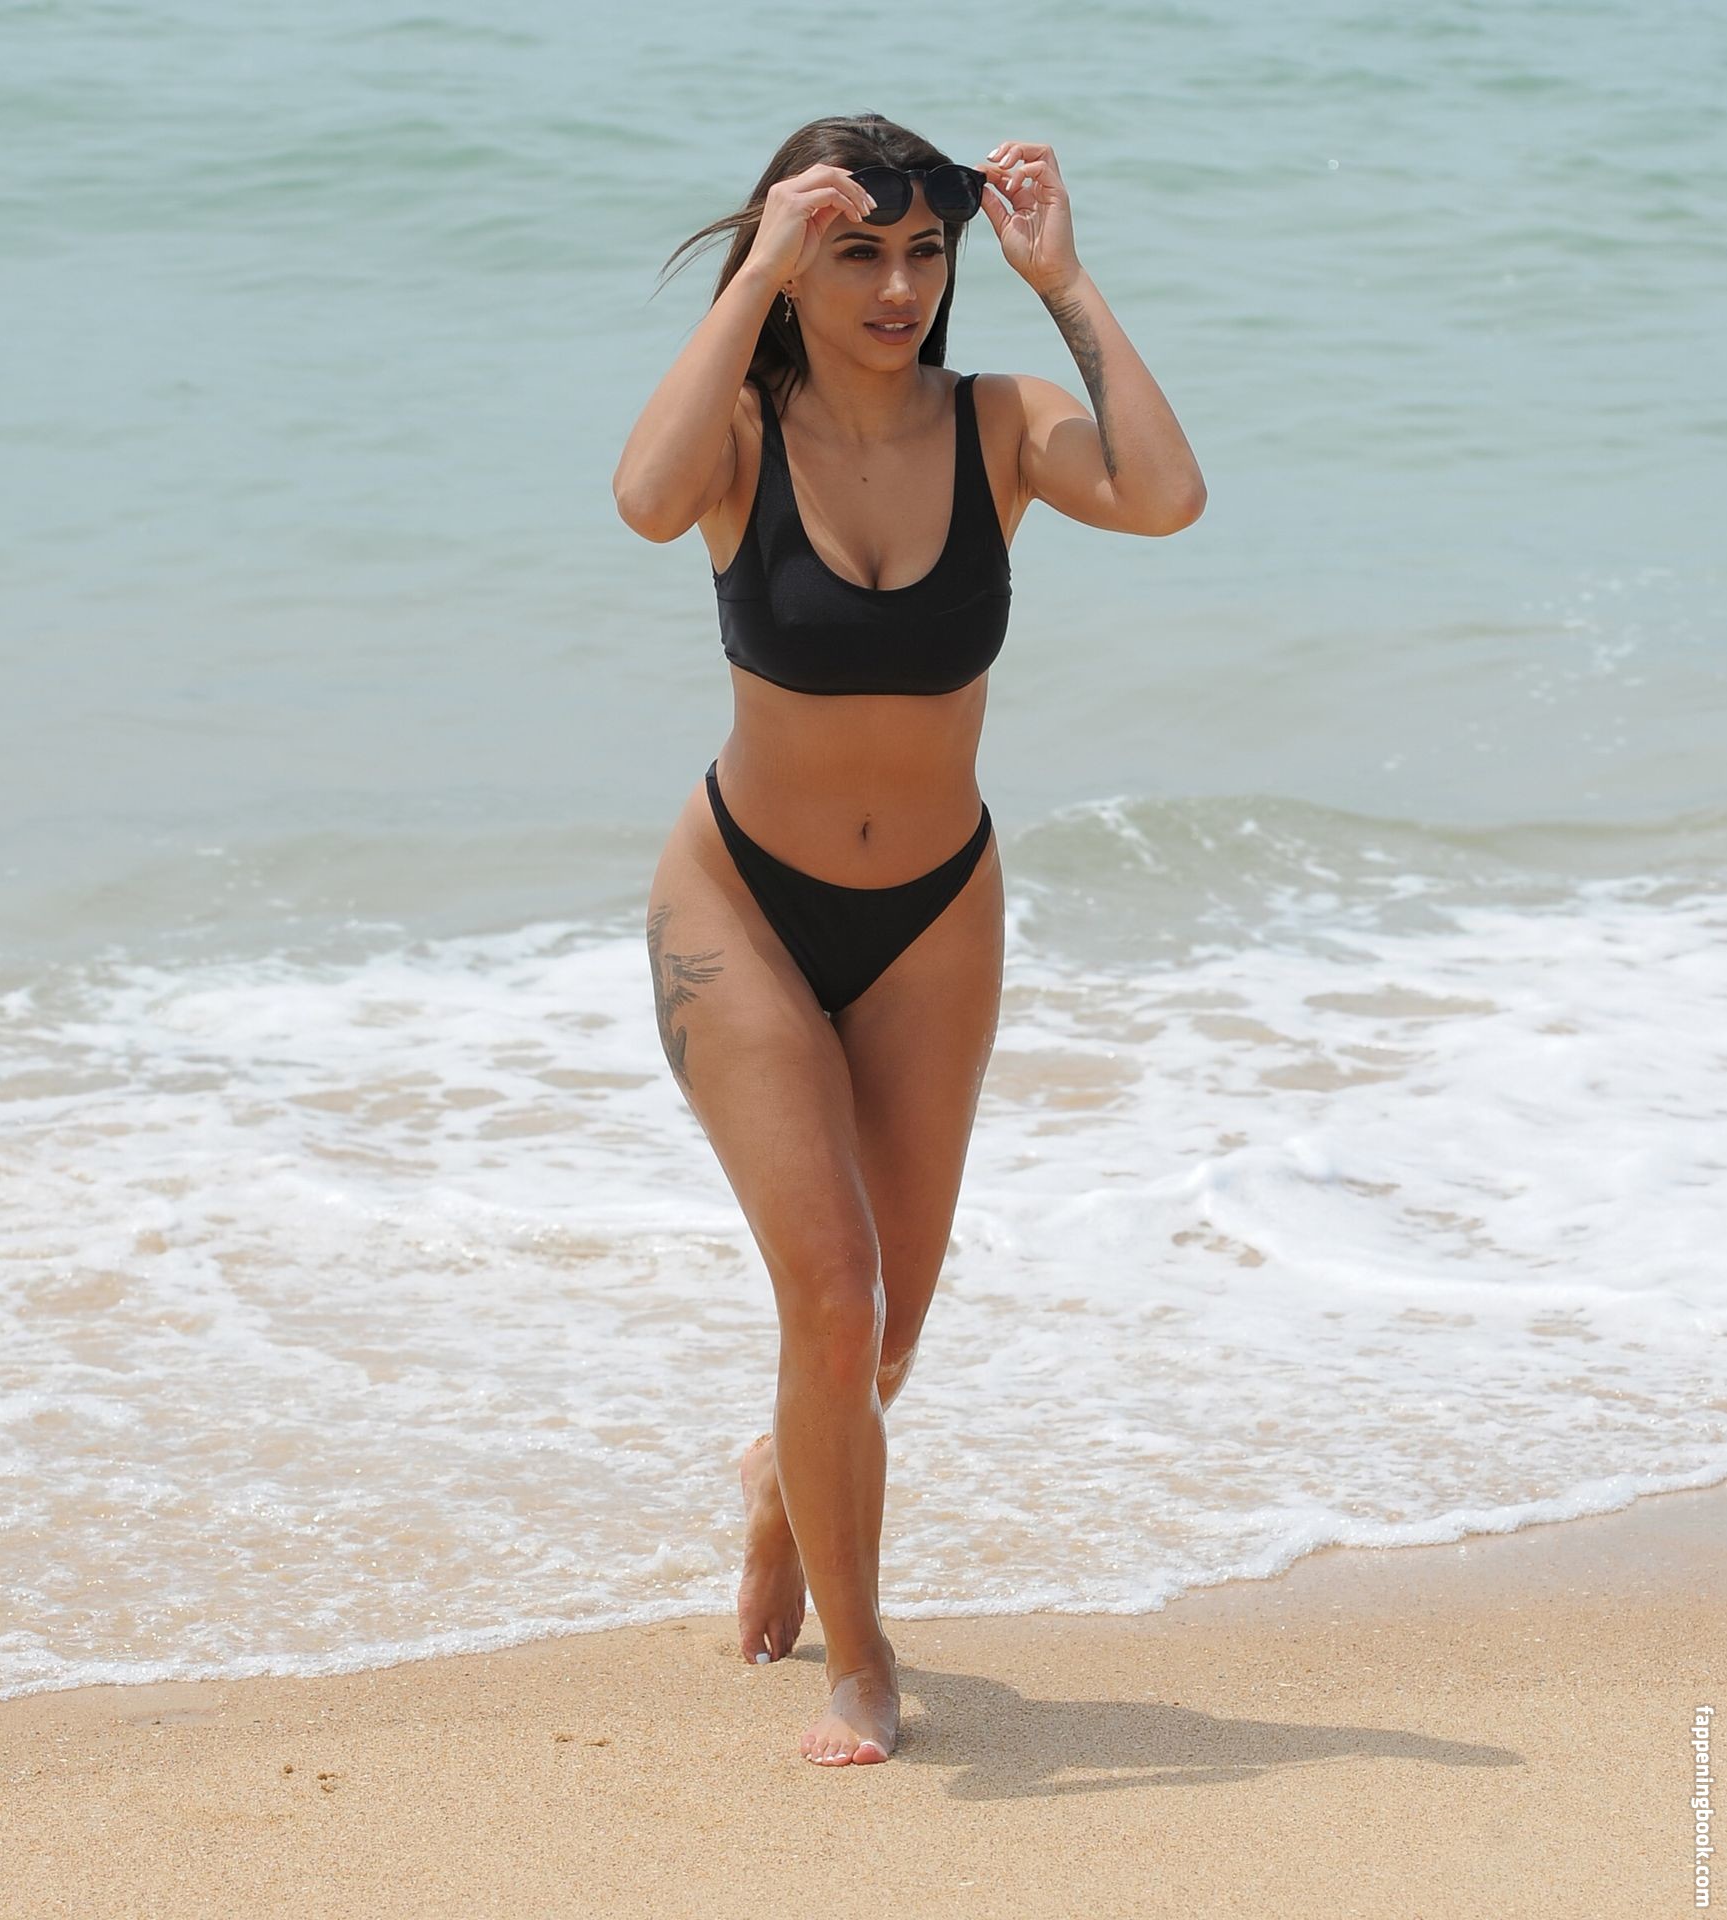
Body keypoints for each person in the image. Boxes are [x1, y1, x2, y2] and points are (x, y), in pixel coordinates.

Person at [612, 112, 1205, 1768]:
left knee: (884, 1331)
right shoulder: (739, 436)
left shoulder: (997, 426)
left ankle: (779, 1478)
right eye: (856, 252)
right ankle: (860, 1665)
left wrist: (1062, 281)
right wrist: (754, 275)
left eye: (921, 253)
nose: (895, 288)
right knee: (831, 1294)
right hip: (740, 902)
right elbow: (643, 501)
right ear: (796, 264)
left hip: (936, 911)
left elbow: (1164, 497)